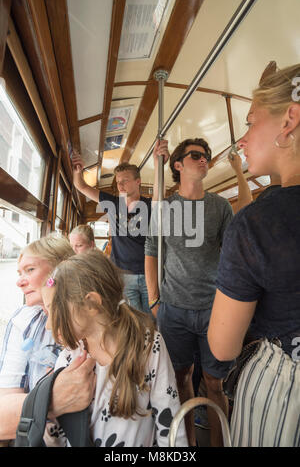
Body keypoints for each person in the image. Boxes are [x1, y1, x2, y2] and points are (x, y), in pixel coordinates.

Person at [208, 64, 300, 447]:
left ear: (289, 120)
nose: (243, 139)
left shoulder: (256, 223)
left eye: (250, 122)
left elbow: (222, 346)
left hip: (282, 399)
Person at [41, 249, 188, 447]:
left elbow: (170, 424)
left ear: (91, 303)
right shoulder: (70, 356)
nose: (48, 325)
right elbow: (56, 433)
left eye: (54, 311)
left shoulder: (148, 346)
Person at [145, 137, 234, 446]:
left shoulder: (220, 206)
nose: (204, 159)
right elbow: (151, 252)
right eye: (196, 155)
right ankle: (189, 446)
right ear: (178, 165)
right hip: (173, 308)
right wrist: (154, 298)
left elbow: (233, 253)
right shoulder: (165, 208)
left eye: (206, 156)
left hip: (214, 308)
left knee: (214, 384)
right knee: (181, 380)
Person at [0, 234, 96, 444]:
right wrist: (52, 398)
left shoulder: (93, 318)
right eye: (19, 273)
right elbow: (2, 416)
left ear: (61, 268)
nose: (19, 282)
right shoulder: (22, 323)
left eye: (30, 270)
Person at [71, 144, 168, 315]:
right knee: (132, 320)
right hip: (123, 275)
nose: (120, 186)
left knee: (153, 320)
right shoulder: (113, 204)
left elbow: (159, 193)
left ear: (138, 181)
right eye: (118, 182)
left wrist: (158, 164)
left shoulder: (148, 205)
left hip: (149, 275)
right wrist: (78, 171)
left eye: (125, 181)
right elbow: (82, 187)